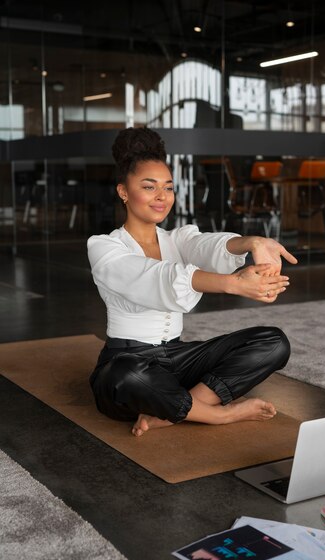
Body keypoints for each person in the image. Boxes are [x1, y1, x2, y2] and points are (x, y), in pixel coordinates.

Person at [87, 127, 298, 438]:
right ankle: (218, 415)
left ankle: (172, 411)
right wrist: (233, 283)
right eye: (149, 187)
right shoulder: (104, 247)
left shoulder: (178, 238)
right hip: (127, 360)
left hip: (177, 358)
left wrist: (252, 242)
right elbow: (155, 277)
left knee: (273, 342)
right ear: (123, 191)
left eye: (168, 188)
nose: (162, 197)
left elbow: (207, 246)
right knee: (125, 376)